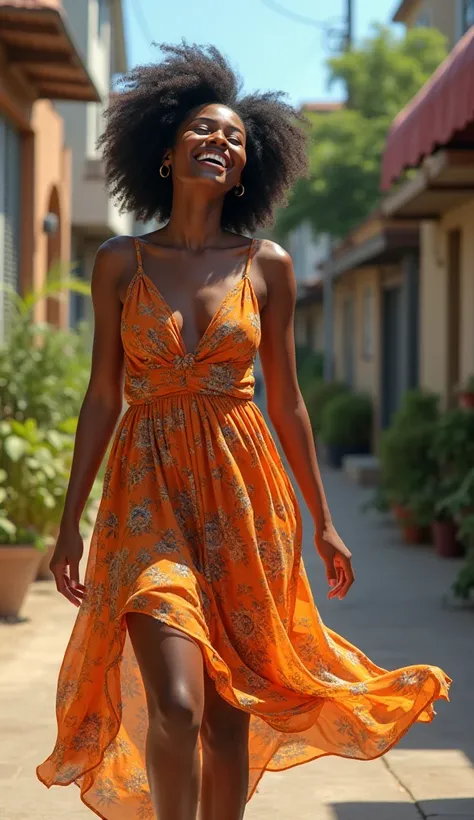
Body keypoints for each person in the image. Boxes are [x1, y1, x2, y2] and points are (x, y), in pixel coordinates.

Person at [37, 43, 450, 820]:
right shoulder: (120, 262)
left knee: (231, 715)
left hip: (243, 496)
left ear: (245, 169)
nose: (221, 142)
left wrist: (324, 522)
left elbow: (289, 403)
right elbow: (100, 396)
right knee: (180, 704)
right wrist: (68, 524)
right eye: (204, 129)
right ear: (164, 152)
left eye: (235, 138)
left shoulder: (270, 266)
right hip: (144, 494)